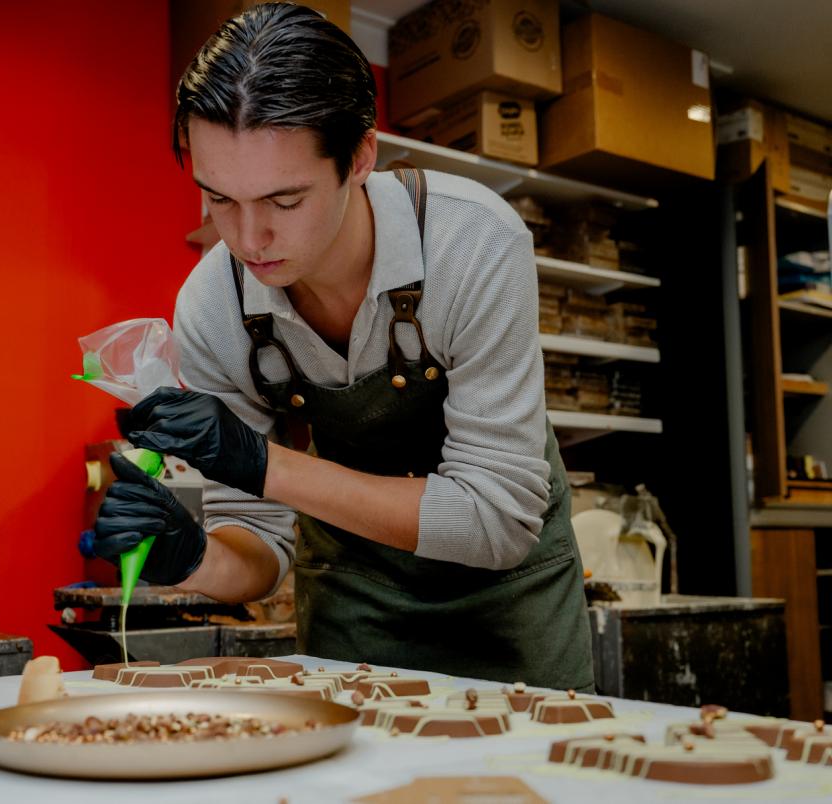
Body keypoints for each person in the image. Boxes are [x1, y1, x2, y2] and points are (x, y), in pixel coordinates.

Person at [92, 2, 593, 690]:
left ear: (361, 155)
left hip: (511, 608)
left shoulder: (473, 245)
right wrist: (192, 557)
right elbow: (261, 550)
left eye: (284, 201)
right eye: (218, 199)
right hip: (354, 606)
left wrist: (261, 464)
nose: (247, 239)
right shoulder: (212, 309)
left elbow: (497, 521)